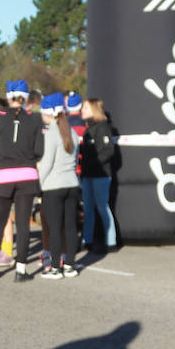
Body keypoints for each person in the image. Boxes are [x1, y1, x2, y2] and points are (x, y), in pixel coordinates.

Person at [0, 81, 44, 283]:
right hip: (27, 174)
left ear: (8, 96)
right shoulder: (35, 119)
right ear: (25, 98)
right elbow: (39, 151)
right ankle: (21, 271)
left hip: (4, 174)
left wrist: (5, 152)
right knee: (23, 224)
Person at [36, 93, 80, 278]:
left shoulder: (50, 135)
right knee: (70, 227)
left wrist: (37, 185)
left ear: (48, 113)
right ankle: (69, 264)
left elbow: (45, 164)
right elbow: (75, 160)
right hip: (72, 184)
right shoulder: (73, 133)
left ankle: (55, 268)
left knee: (54, 229)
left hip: (53, 187)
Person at [79, 98, 118, 252]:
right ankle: (87, 240)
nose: (82, 111)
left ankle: (111, 241)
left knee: (102, 207)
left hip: (100, 176)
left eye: (86, 108)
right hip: (87, 175)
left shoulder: (102, 127)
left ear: (94, 109)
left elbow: (108, 151)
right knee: (88, 208)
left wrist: (93, 163)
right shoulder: (89, 129)